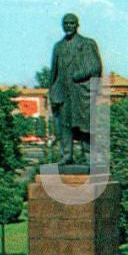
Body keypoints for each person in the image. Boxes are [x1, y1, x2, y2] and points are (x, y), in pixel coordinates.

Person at [48, 13, 103, 165]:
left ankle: (88, 156)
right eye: (65, 23)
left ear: (77, 25)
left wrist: (79, 75)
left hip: (80, 92)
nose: (68, 26)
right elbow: (54, 71)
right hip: (64, 92)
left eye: (72, 23)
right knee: (65, 125)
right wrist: (51, 91)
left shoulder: (87, 43)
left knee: (84, 125)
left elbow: (95, 67)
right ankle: (67, 155)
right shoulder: (58, 46)